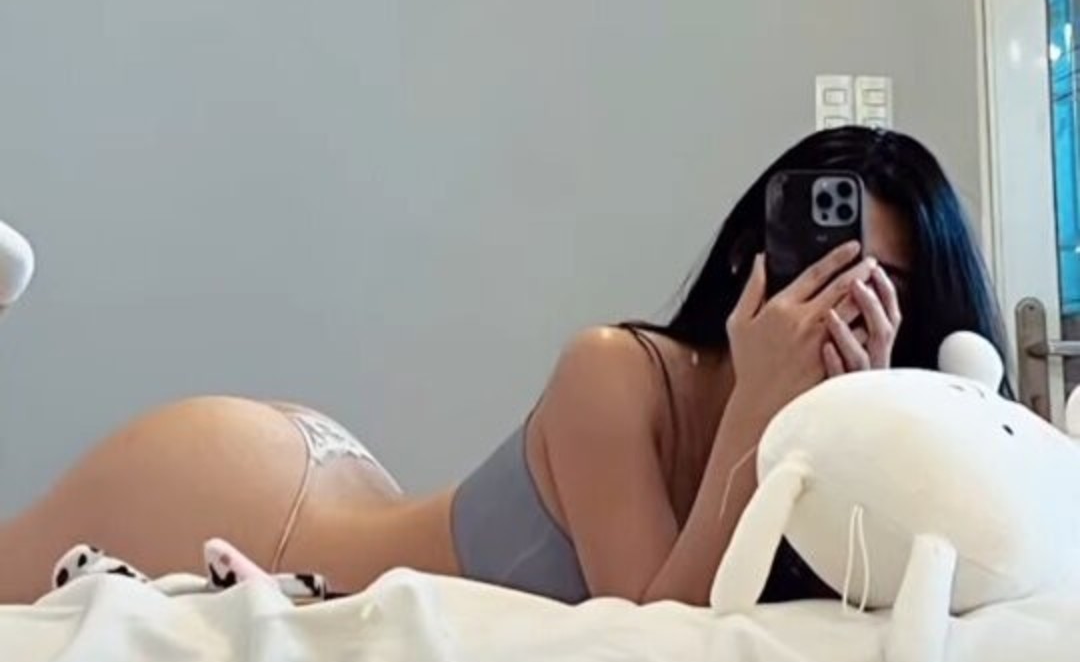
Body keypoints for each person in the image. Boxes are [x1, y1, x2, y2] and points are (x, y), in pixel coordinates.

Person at [0, 127, 1007, 608]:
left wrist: (856, 429)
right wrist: (759, 407)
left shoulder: (851, 446)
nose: (843, 306)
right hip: (252, 500)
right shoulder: (614, 374)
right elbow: (664, 640)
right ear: (760, 258)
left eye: (884, 288)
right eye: (829, 270)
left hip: (345, 486)